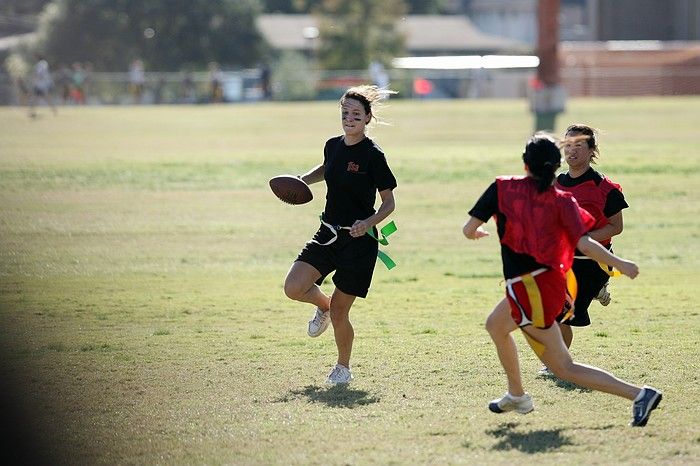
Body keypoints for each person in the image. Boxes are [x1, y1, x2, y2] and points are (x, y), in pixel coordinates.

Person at [462, 133, 661, 426]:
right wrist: (620, 263)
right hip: (542, 286)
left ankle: (640, 394)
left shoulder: (502, 187)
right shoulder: (563, 199)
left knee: (563, 368)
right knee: (496, 325)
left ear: (525, 164)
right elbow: (585, 244)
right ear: (556, 166)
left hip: (532, 289)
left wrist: (475, 233)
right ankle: (516, 394)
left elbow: (469, 229)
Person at [283, 85, 397, 385]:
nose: (349, 119)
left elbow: (389, 203)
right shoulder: (332, 145)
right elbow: (328, 167)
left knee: (340, 312)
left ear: (368, 118)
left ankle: (343, 367)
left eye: (356, 114)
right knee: (293, 286)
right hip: (328, 233)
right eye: (345, 113)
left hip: (359, 243)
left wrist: (369, 223)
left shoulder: (373, 155)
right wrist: (304, 179)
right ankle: (322, 305)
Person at [549, 124, 628, 361]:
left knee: (565, 312)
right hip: (564, 261)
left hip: (594, 262)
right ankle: (557, 362)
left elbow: (616, 227)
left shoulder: (605, 188)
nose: (572, 151)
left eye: (579, 146)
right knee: (557, 312)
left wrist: (582, 237)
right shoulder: (556, 184)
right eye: (568, 145)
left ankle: (559, 363)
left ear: (592, 150)